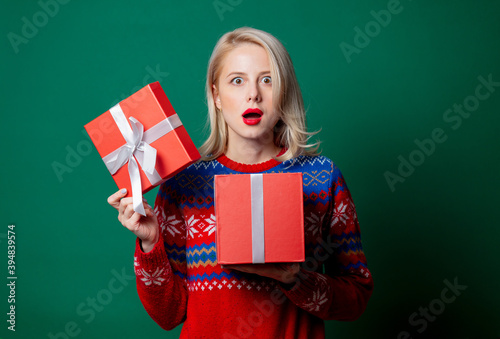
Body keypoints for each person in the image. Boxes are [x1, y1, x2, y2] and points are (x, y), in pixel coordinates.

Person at [108, 27, 373, 338]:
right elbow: (169, 315)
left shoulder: (322, 177)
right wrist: (151, 243)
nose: (253, 94)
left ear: (284, 91)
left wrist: (295, 280)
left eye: (267, 79)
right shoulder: (182, 182)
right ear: (217, 95)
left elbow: (356, 298)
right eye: (237, 80)